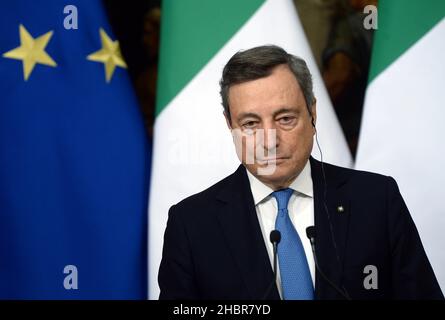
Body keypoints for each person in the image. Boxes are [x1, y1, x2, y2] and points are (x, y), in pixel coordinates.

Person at [158, 45, 443, 300]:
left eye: (285, 119)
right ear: (229, 124)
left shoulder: (376, 199)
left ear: (312, 114)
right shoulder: (191, 224)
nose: (269, 141)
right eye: (250, 124)